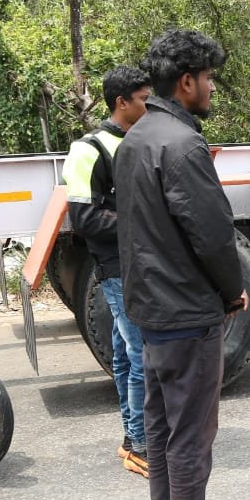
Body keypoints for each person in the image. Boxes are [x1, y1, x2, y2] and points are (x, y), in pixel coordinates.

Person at [115, 29, 250, 500]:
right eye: (209, 79)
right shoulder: (183, 144)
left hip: (148, 307)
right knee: (191, 433)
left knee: (162, 424)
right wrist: (232, 289)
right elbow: (213, 234)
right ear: (187, 81)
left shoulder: (135, 137)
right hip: (186, 309)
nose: (213, 89)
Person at [61, 66, 152, 477]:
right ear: (122, 102)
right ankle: (141, 445)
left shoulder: (137, 141)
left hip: (139, 264)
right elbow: (83, 217)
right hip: (117, 267)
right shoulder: (89, 149)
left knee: (124, 352)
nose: (149, 106)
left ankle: (131, 436)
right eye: (144, 99)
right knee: (140, 356)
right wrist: (145, 223)